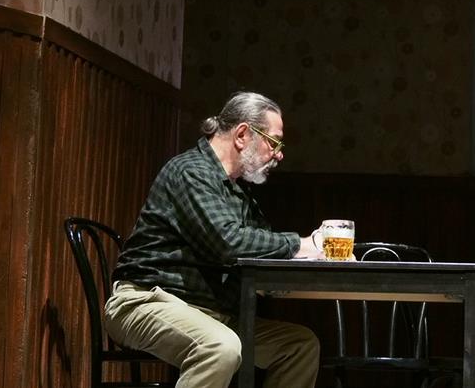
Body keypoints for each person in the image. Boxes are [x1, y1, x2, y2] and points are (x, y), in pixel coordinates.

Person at [104, 91, 323, 388]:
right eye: (273, 142)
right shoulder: (190, 172)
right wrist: (299, 244)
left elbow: (261, 250)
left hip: (210, 313)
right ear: (242, 135)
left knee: (299, 347)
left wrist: (315, 258)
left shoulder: (238, 191)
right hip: (145, 301)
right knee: (220, 347)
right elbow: (228, 243)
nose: (279, 154)